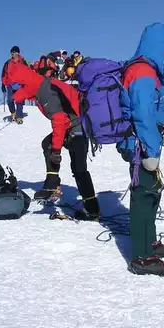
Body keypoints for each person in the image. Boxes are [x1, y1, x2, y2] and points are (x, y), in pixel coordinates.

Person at [118, 23, 164, 276]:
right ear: (158, 45)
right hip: (140, 145)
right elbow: (141, 113)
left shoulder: (149, 70)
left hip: (145, 141)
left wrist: (161, 129)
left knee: (151, 191)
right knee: (144, 195)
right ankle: (142, 257)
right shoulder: (142, 71)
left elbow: (149, 111)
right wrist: (151, 151)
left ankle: (149, 242)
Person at [6, 61, 101, 220]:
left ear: (24, 80)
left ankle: (92, 210)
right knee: (50, 146)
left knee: (79, 169)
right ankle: (53, 184)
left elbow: (59, 120)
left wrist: (56, 150)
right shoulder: (41, 86)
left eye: (16, 84)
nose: (15, 87)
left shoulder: (45, 91)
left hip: (78, 127)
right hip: (73, 125)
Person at [1, 46, 25, 123]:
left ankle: (19, 117)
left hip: (20, 84)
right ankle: (13, 113)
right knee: (10, 100)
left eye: (14, 52)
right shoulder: (7, 63)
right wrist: (3, 85)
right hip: (10, 84)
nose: (12, 53)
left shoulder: (23, 62)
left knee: (19, 101)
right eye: (11, 52)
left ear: (18, 53)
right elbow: (4, 74)